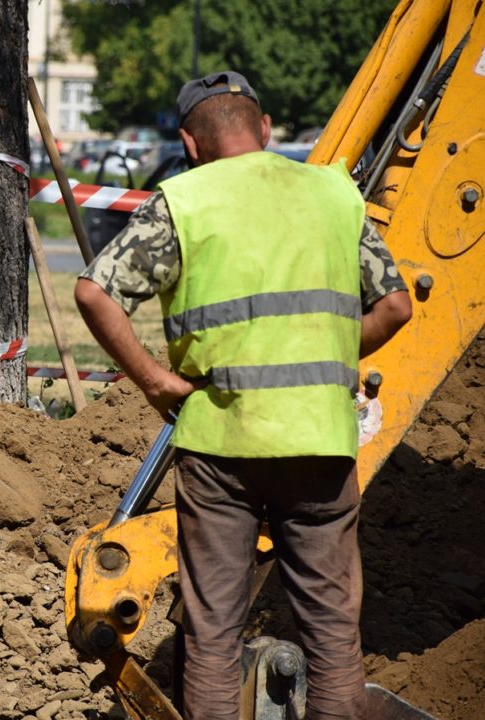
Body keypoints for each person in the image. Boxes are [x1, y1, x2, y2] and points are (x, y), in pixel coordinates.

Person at [74, 70, 412, 720]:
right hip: (318, 443)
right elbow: (394, 307)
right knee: (333, 635)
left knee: (212, 634)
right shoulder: (333, 195)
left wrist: (152, 379)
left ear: (189, 143)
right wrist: (324, 357)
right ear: (263, 129)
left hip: (218, 447)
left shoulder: (182, 200)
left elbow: (93, 291)